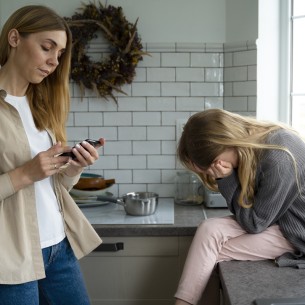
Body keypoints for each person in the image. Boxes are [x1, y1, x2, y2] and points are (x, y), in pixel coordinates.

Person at [0, 5, 104, 305]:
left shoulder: (42, 105)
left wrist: (72, 169)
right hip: (11, 257)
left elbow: (52, 187)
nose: (53, 61)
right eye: (47, 48)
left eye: (59, 54)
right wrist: (24, 174)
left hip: (59, 248)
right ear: (15, 38)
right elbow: (29, 176)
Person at [174, 108, 305, 305]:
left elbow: (254, 223)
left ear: (218, 155)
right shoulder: (259, 144)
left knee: (210, 256)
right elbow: (255, 209)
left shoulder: (279, 157)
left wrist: (224, 178)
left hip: (297, 232)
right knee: (209, 229)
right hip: (280, 220)